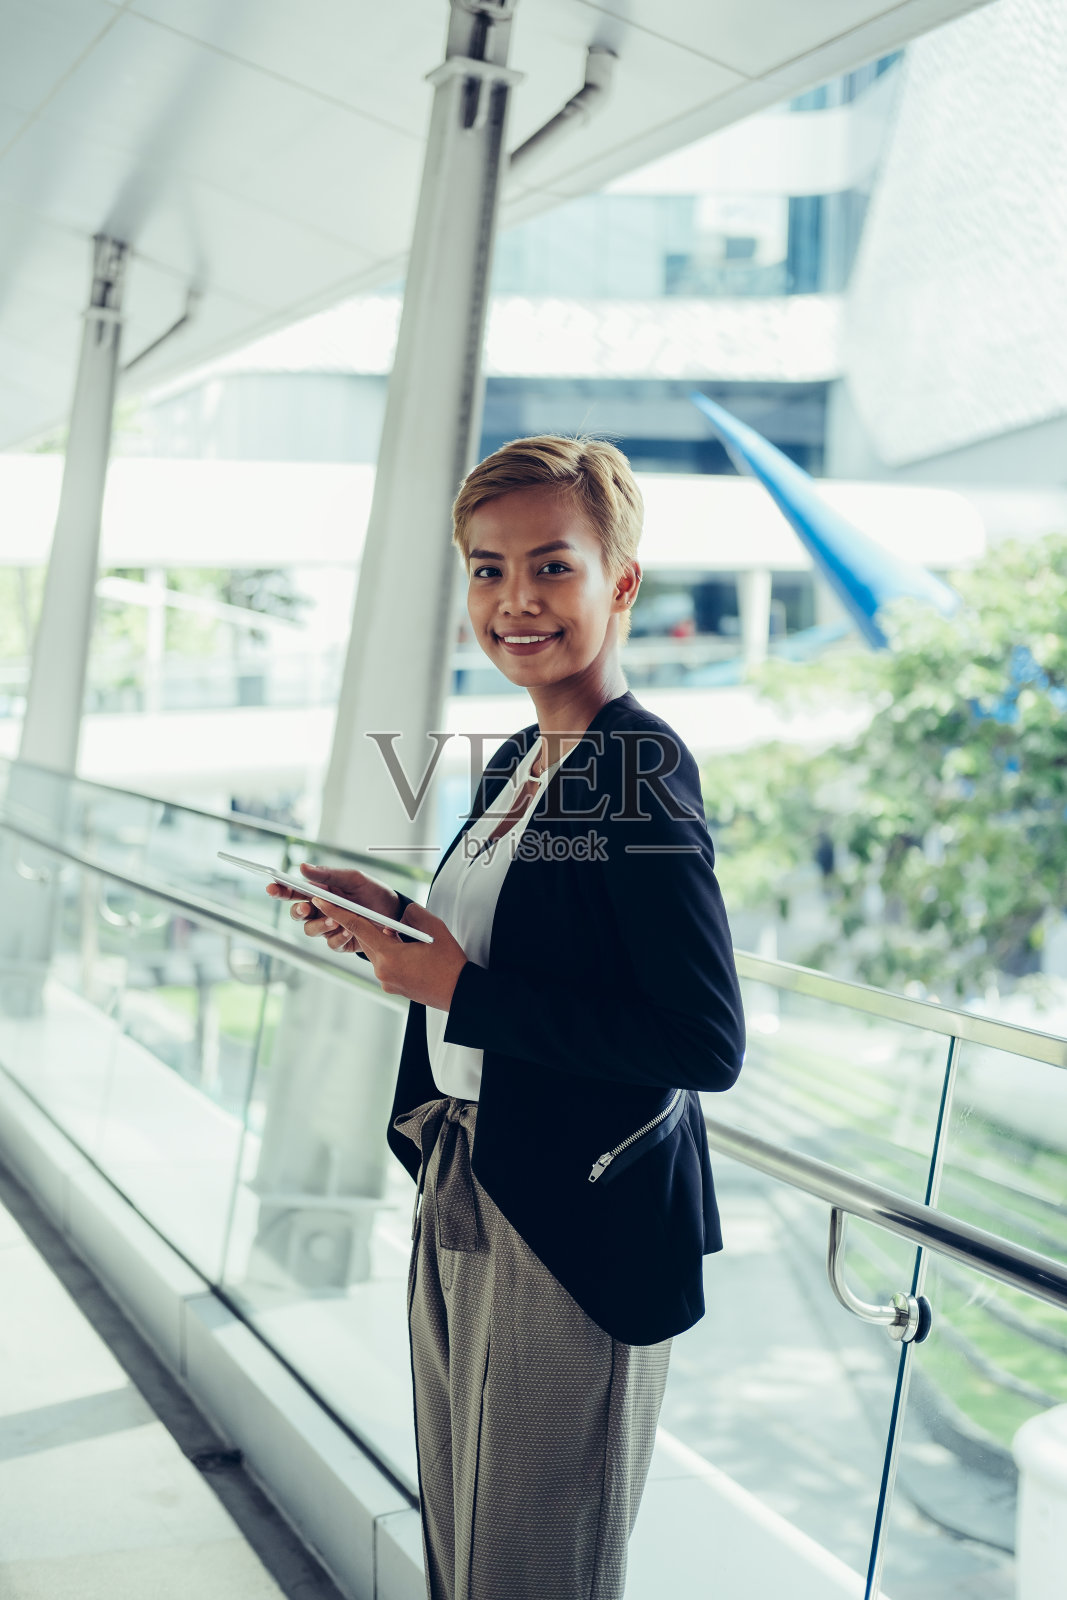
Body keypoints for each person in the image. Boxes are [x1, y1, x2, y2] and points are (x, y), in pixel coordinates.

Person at [267, 436, 746, 1600]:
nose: (514, 600)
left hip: (573, 1220)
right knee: (463, 1543)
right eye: (487, 569)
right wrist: (394, 920)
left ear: (619, 582)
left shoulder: (639, 766)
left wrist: (459, 992)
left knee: (533, 1565)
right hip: (472, 1173)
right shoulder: (520, 759)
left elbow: (701, 1040)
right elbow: (517, 948)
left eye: (550, 566)